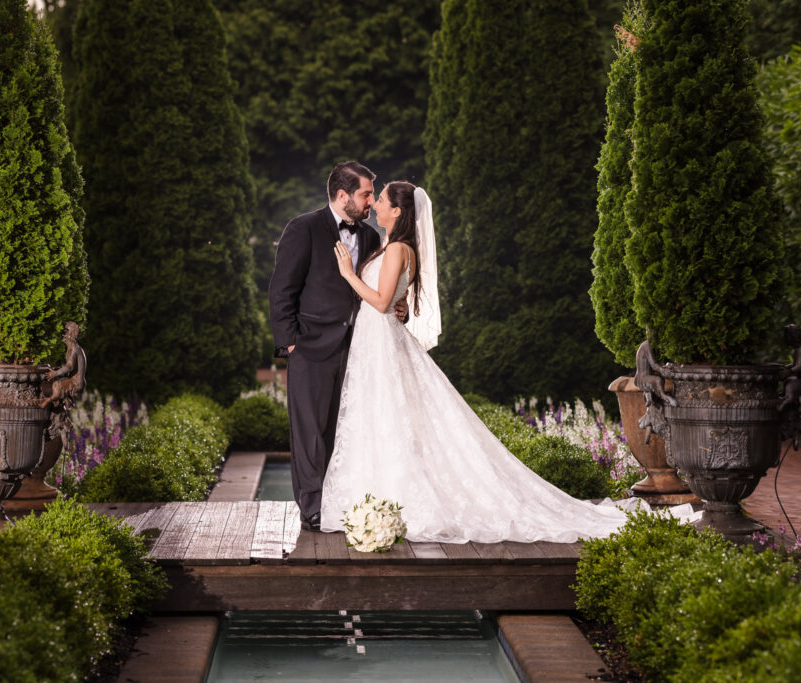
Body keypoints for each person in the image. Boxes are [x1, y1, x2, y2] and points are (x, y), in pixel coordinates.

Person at [320, 182, 633, 543]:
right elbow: (393, 302)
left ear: (398, 212)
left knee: (391, 416)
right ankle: (379, 498)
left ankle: (396, 501)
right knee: (388, 418)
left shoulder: (396, 250)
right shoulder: (395, 248)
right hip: (377, 342)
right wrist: (396, 306)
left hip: (381, 342)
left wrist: (348, 276)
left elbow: (379, 302)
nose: (375, 204)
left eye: (383, 200)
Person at [269, 161, 407, 532]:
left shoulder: (370, 238)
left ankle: (339, 501)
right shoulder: (303, 229)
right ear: (342, 195)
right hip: (310, 349)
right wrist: (290, 345)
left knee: (345, 427)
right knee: (310, 432)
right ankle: (312, 508)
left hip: (358, 349)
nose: (368, 203)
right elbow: (281, 292)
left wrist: (398, 303)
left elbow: (379, 290)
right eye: (365, 194)